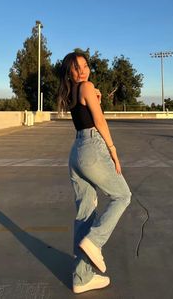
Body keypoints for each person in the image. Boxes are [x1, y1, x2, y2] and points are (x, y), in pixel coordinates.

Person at [58, 51, 132, 294]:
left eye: (85, 65)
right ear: (70, 71)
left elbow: (88, 112)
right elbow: (99, 122)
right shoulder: (86, 86)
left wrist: (96, 97)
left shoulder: (71, 92)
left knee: (85, 213)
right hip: (92, 148)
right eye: (77, 67)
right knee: (122, 196)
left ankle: (82, 278)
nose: (83, 70)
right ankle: (94, 241)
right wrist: (113, 150)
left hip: (75, 152)